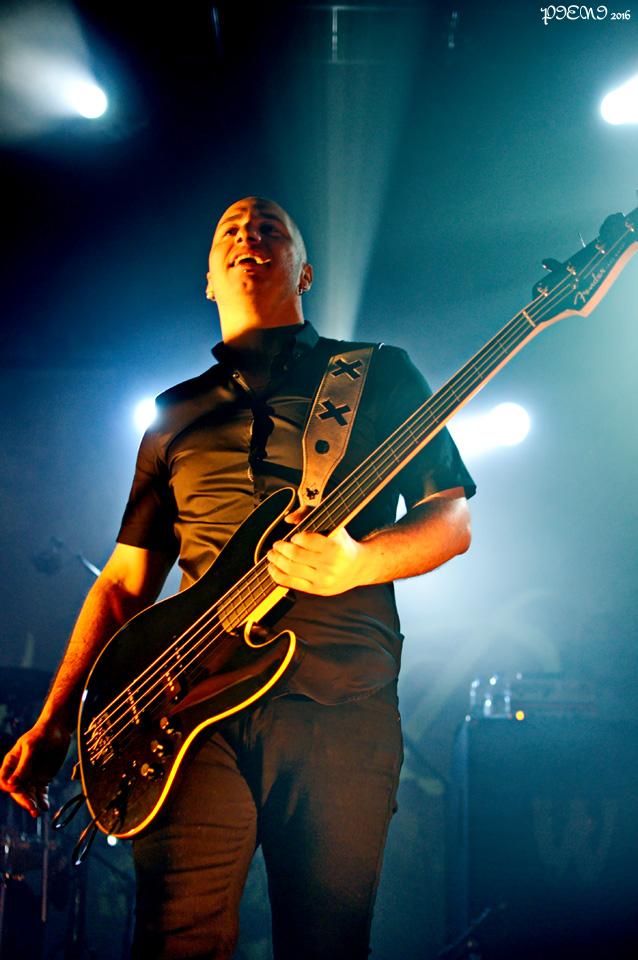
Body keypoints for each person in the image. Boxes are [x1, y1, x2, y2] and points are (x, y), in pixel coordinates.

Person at [0, 196, 475, 959]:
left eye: (270, 229)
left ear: (305, 272)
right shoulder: (173, 414)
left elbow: (449, 519)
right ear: (209, 279)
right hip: (184, 714)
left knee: (326, 946)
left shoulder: (379, 373)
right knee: (174, 940)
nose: (249, 236)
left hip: (337, 698)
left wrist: (359, 562)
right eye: (231, 230)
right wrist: (57, 721)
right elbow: (124, 584)